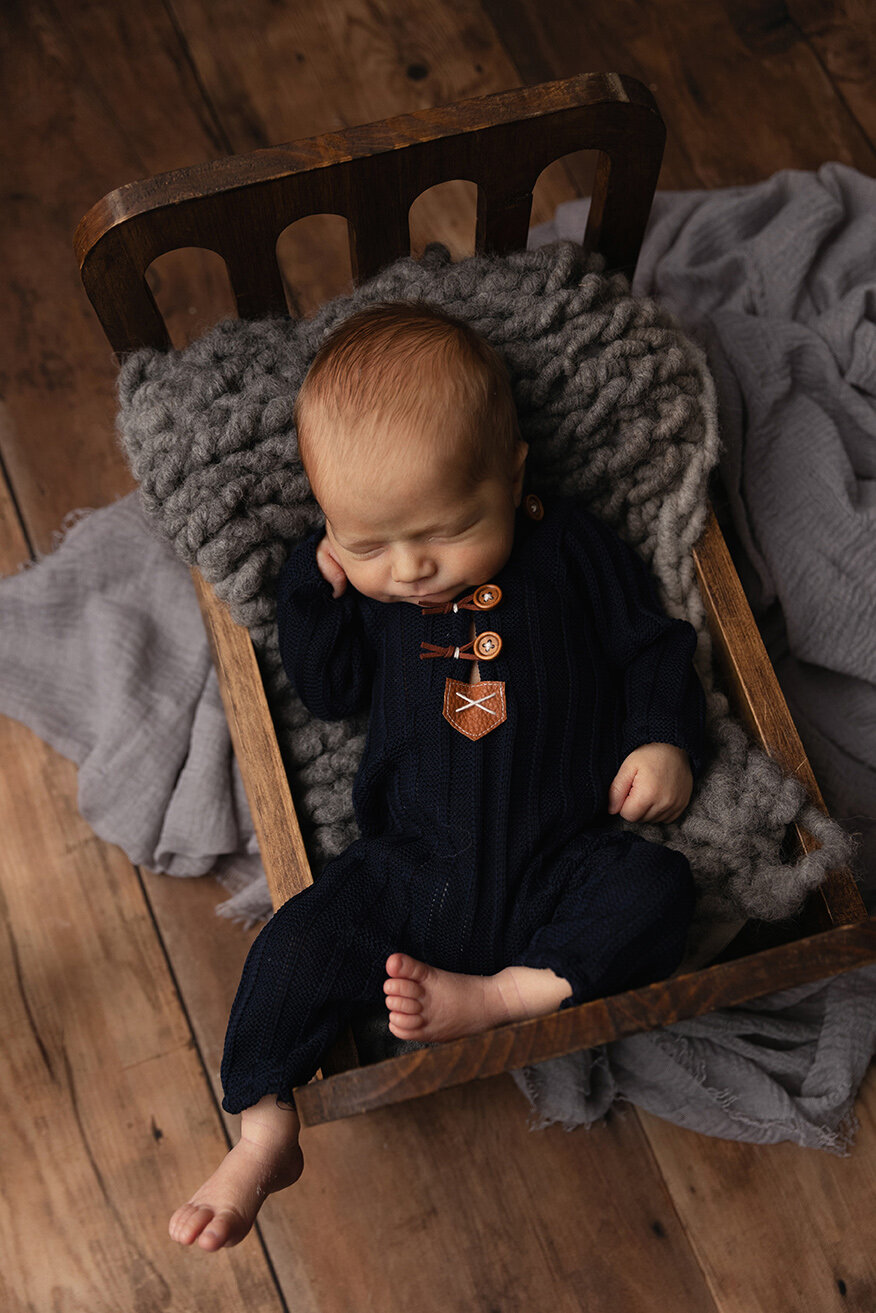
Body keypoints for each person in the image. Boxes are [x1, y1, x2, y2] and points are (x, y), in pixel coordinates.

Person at [170, 301, 705, 1250]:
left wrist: (662, 739)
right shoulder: (365, 593)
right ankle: (263, 1124)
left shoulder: (570, 550)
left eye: (449, 530)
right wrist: (317, 588)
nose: (414, 569)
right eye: (372, 544)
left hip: (563, 854)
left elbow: (653, 645)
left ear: (514, 475)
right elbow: (329, 694)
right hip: (407, 865)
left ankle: (507, 992)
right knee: (295, 943)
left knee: (660, 887)